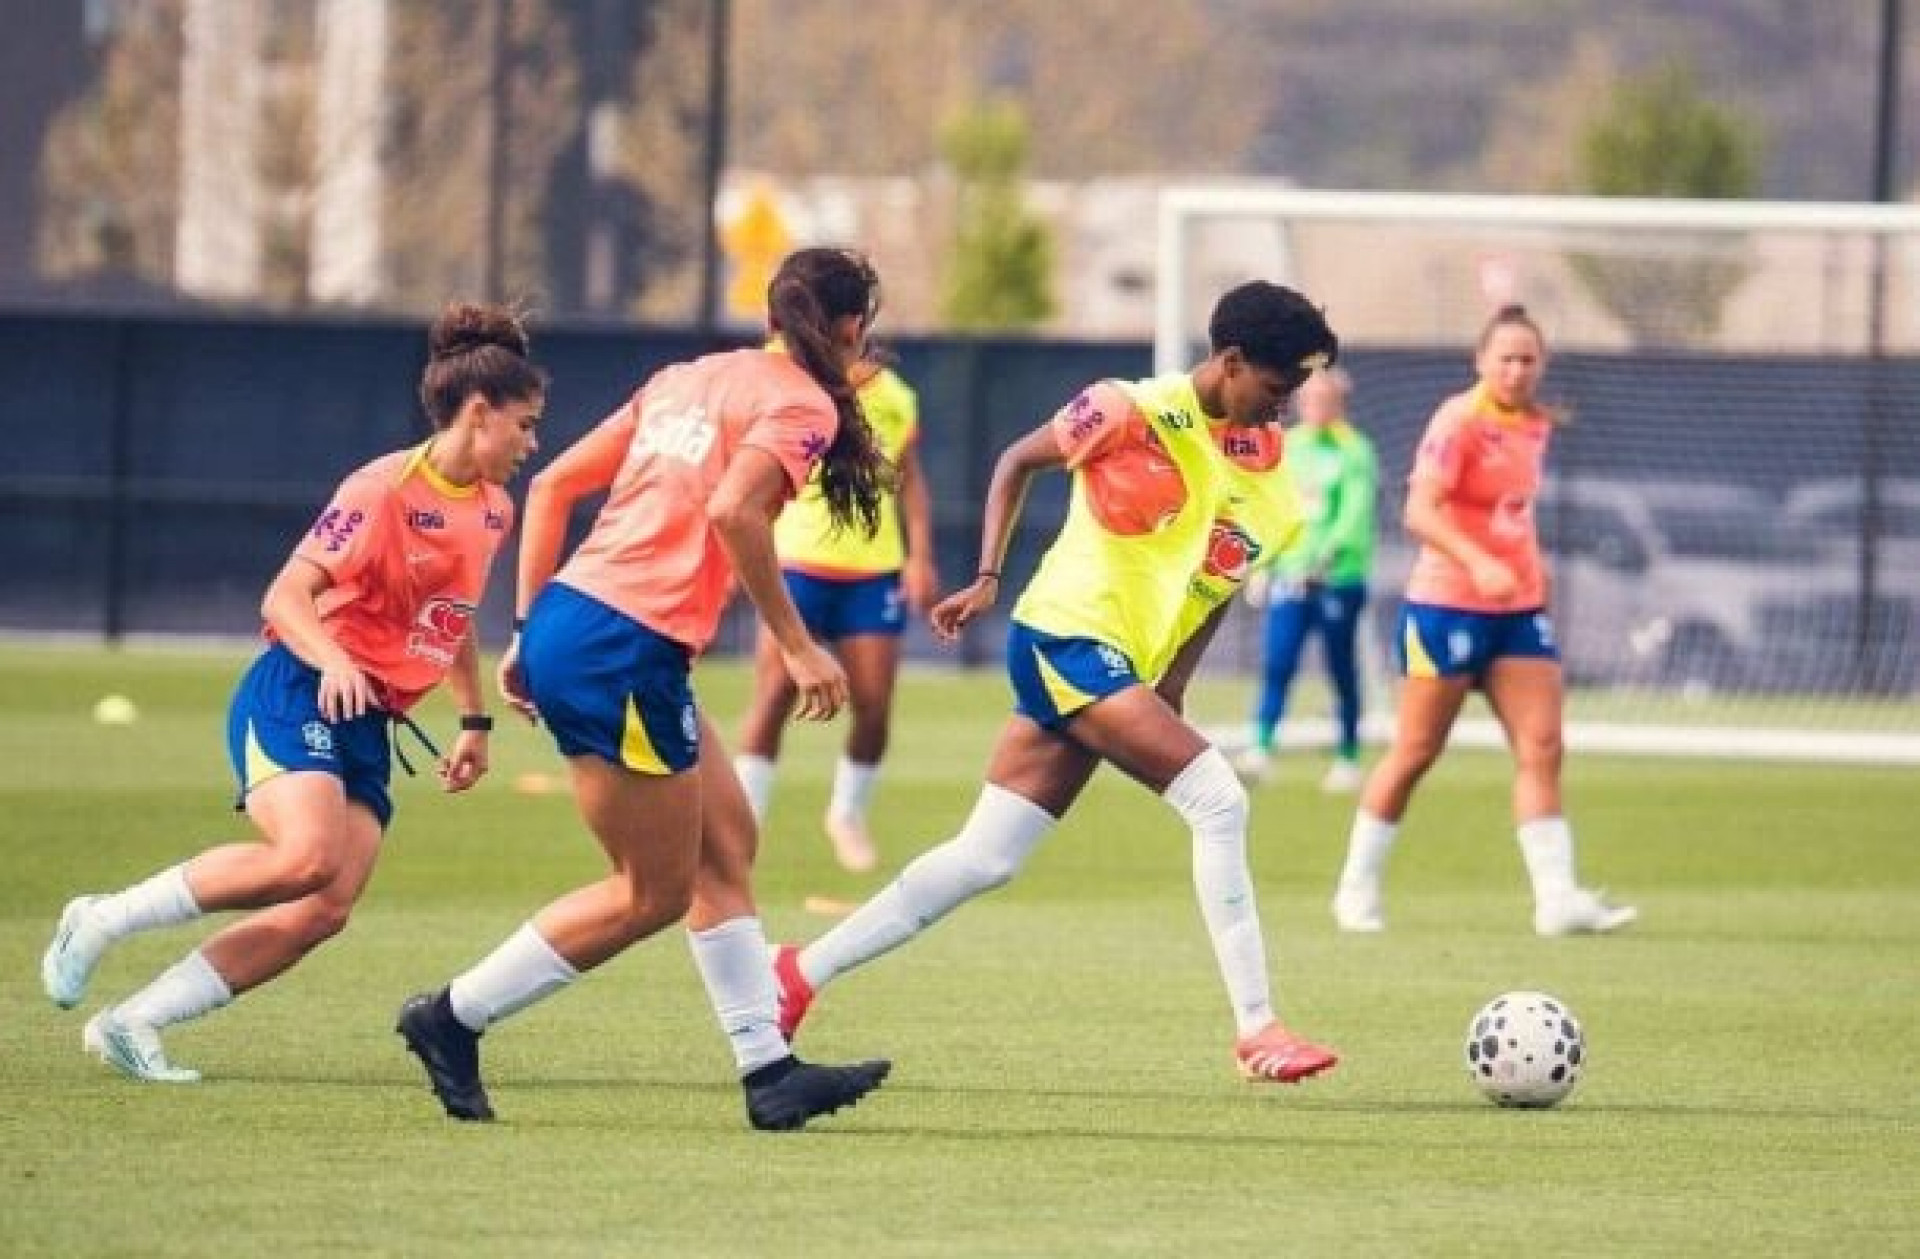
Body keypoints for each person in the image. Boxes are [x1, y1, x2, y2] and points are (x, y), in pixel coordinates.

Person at [770, 281, 1342, 1085]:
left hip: (1114, 664)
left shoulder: (1271, 482)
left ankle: (796, 973)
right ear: (1233, 360)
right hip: (1064, 637)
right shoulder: (1126, 408)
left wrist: (1172, 682)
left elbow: (1216, 587)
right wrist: (986, 577)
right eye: (1277, 387)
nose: (1284, 406)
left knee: (985, 857)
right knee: (1220, 800)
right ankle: (1258, 1028)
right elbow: (1017, 460)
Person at [394, 247, 894, 1131]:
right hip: (622, 646)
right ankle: (453, 1016)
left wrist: (528, 629)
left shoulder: (688, 378)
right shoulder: (801, 402)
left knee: (726, 840)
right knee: (651, 891)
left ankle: (769, 1072)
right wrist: (797, 645)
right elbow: (734, 510)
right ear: (851, 327)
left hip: (590, 627)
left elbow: (555, 485)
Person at [40, 301, 547, 1082]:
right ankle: (100, 917)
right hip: (300, 688)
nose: (532, 442)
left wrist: (474, 720)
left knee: (325, 907)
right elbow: (285, 596)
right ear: (478, 413)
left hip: (367, 720)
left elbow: (448, 617)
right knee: (306, 857)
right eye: (525, 424)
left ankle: (134, 1020)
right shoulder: (380, 489)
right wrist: (335, 660)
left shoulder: (492, 508)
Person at [1330, 304, 1637, 937]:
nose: (1517, 370)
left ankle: (1557, 899)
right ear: (1481, 361)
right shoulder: (1458, 420)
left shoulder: (1535, 425)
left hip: (1516, 610)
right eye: (1506, 358)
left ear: (1541, 364)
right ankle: (1356, 887)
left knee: (1543, 746)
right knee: (1416, 750)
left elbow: (1509, 511)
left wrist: (1530, 565)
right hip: (1444, 607)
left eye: (1528, 359)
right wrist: (1478, 562)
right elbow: (1419, 511)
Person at [733, 353, 937, 873]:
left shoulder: (895, 395)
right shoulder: (789, 375)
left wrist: (920, 556)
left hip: (873, 570)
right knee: (774, 695)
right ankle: (744, 822)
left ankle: (847, 813)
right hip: (797, 562)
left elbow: (908, 478)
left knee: (874, 704)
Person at [1234, 366, 1378, 792]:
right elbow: (1272, 509)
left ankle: (1348, 756)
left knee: (1341, 669)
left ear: (1340, 403)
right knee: (1278, 663)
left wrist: (1324, 559)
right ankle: (1261, 747)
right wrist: (1262, 566)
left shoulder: (1355, 450)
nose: (1316, 405)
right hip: (1290, 578)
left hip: (1338, 580)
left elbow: (1354, 515)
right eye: (1309, 398)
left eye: (1324, 399)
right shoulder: (1288, 446)